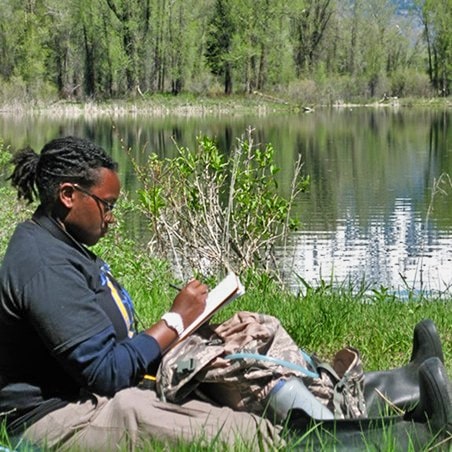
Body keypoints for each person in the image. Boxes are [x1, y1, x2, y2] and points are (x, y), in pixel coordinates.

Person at [0, 136, 283, 450]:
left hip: (96, 395)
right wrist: (174, 321)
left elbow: (109, 352)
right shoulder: (44, 263)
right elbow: (106, 372)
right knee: (237, 432)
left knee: (241, 344)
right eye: (106, 205)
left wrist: (184, 329)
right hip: (54, 419)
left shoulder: (62, 245)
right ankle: (294, 440)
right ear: (68, 194)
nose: (111, 217)